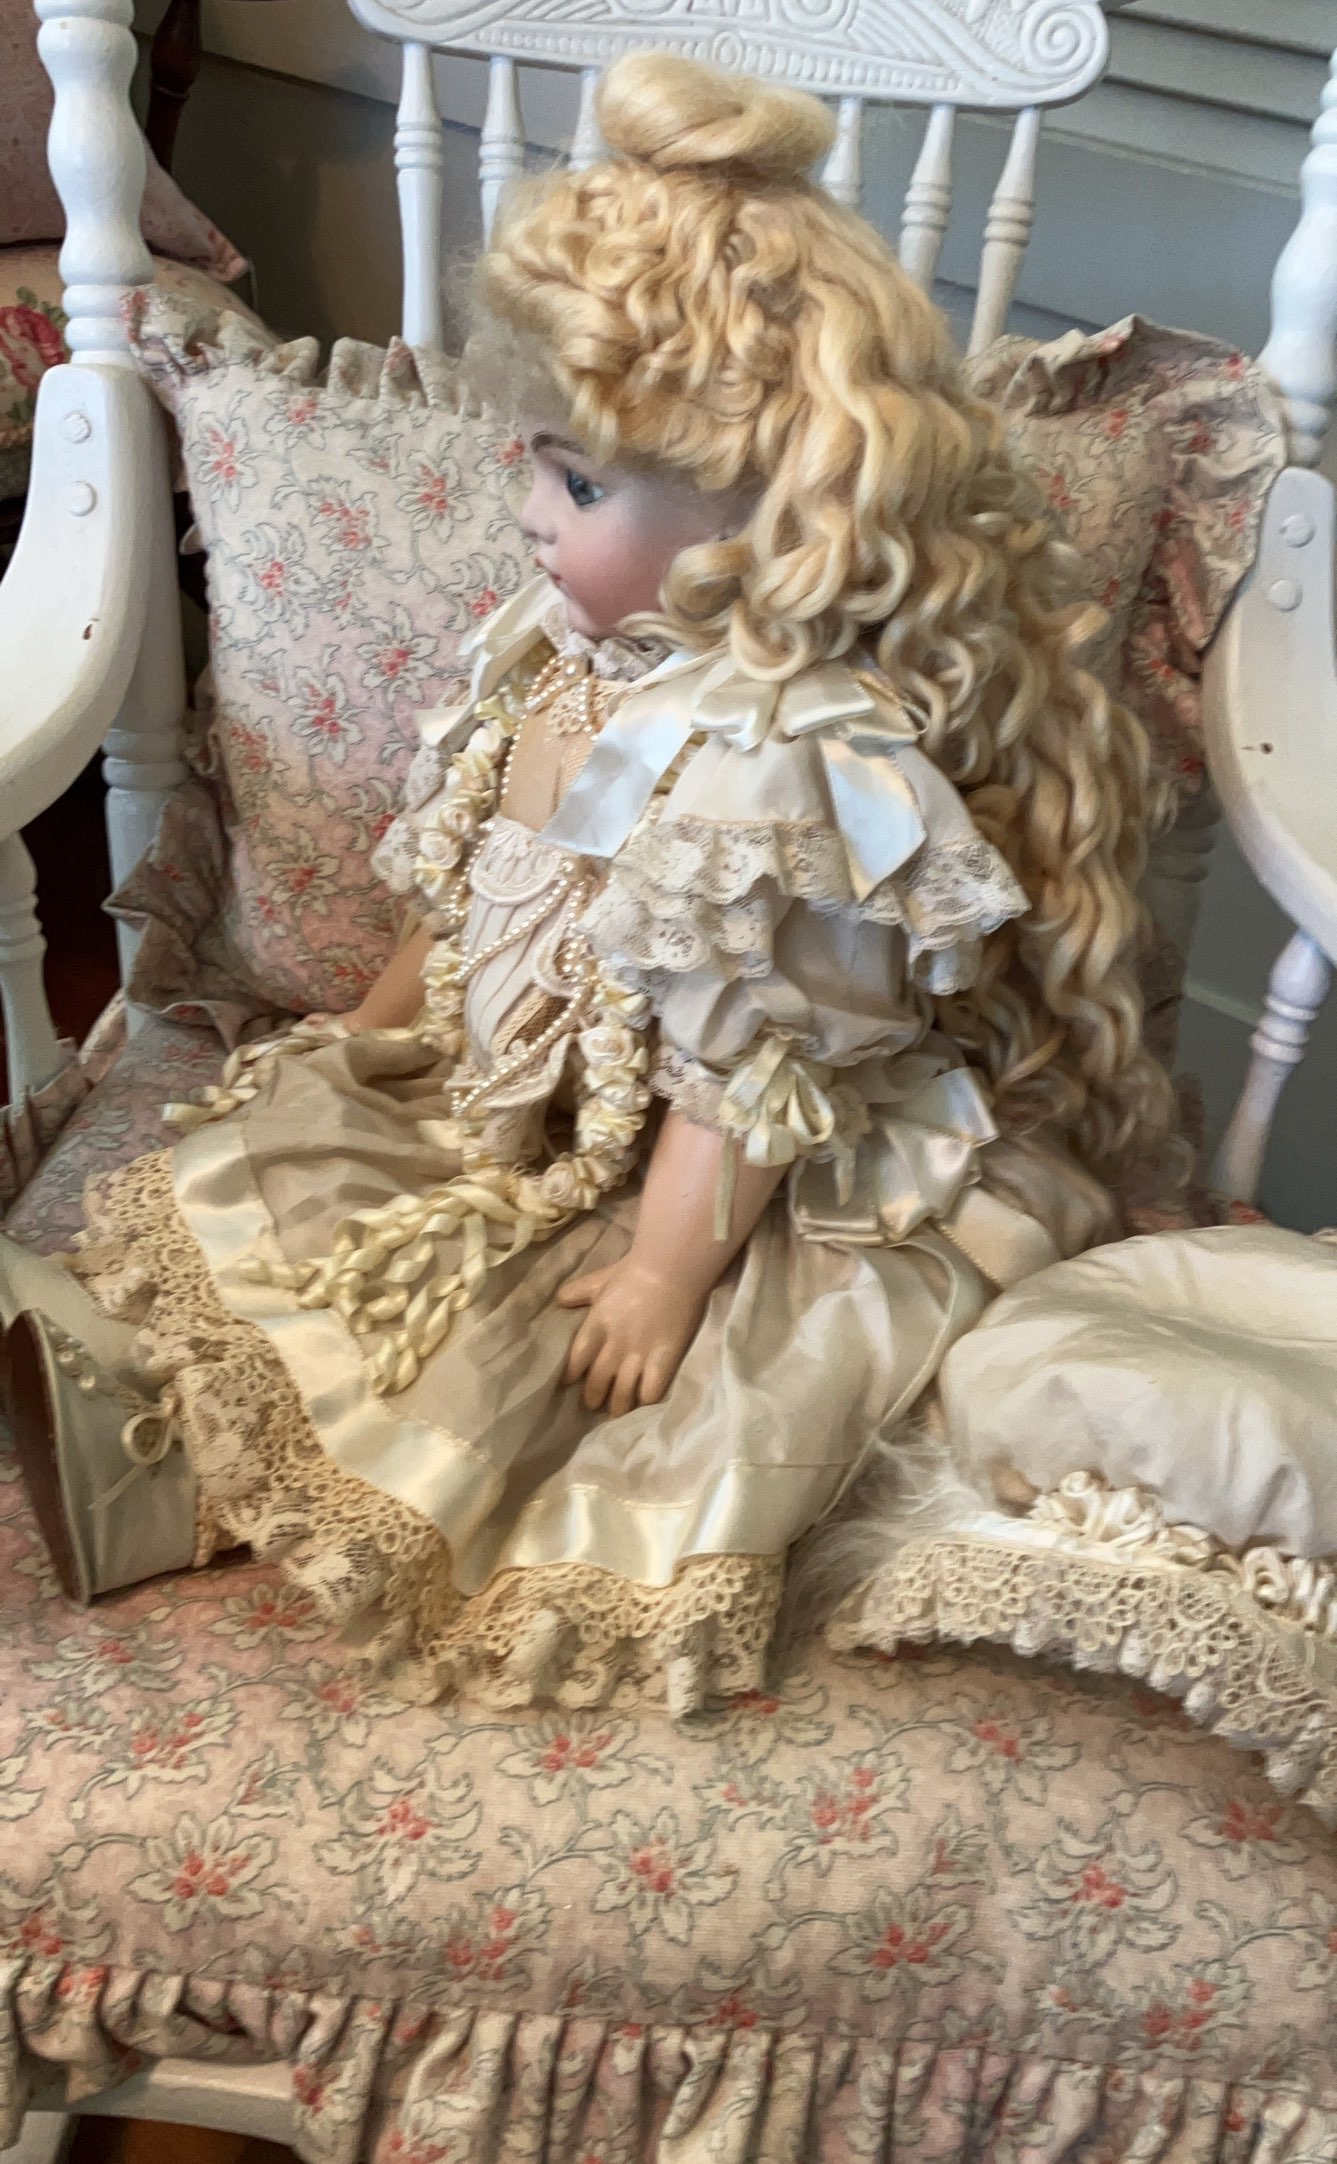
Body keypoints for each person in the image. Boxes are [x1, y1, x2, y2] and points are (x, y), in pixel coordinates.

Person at [0, 51, 1171, 1713]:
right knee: (292, 1186)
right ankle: (150, 1421)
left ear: (768, 525)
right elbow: (471, 882)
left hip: (711, 1180)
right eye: (536, 464)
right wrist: (370, 1035)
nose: (528, 516)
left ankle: (179, 1484)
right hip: (521, 1099)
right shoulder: (557, 651)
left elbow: (746, 1074)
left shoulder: (789, 777)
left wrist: (665, 1273)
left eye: (580, 484)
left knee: (524, 1362)